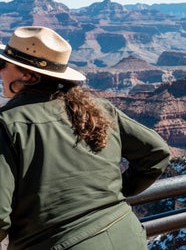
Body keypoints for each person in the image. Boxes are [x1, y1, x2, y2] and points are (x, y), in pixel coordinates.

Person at [0, 26, 170, 249]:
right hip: (126, 235)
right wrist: (111, 195)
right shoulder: (98, 108)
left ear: (27, 75)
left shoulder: (7, 124)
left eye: (2, 65)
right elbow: (156, 153)